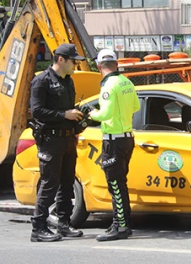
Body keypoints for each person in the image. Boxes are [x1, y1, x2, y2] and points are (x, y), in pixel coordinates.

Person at [29, 43, 86, 242]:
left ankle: (64, 223)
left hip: (68, 138)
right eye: (73, 61)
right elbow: (36, 111)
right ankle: (38, 227)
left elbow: (70, 111)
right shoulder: (41, 81)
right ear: (60, 60)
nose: (75, 66)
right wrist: (65, 114)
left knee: (67, 183)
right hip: (50, 140)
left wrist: (76, 120)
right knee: (49, 184)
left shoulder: (68, 81)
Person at [89, 49, 140, 241]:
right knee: (120, 183)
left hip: (113, 140)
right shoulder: (126, 82)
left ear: (99, 66)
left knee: (115, 185)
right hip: (127, 139)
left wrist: (92, 113)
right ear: (116, 64)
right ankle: (121, 223)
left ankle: (121, 226)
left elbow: (105, 114)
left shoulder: (108, 86)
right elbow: (136, 106)